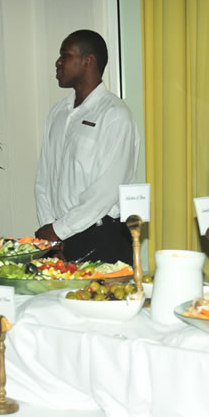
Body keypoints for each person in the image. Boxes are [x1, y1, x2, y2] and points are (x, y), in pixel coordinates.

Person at [34, 30, 140, 264]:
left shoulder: (115, 115)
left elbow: (105, 191)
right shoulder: (58, 112)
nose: (58, 62)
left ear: (88, 60)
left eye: (65, 55)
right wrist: (51, 232)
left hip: (102, 238)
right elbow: (44, 179)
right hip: (59, 238)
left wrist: (59, 230)